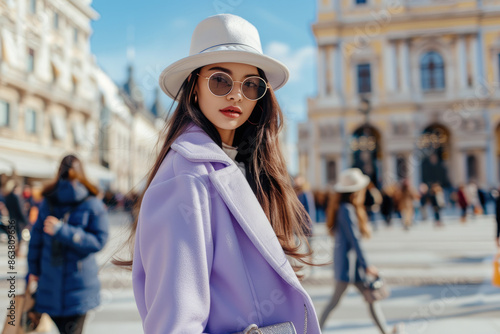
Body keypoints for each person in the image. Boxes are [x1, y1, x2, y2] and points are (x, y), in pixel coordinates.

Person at [113, 14, 321, 333]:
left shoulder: (240, 166)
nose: (236, 94)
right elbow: (175, 324)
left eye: (251, 85)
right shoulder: (187, 177)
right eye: (220, 79)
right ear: (194, 86)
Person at [27, 155, 109, 334]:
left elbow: (35, 243)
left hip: (51, 283)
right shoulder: (93, 202)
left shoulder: (49, 201)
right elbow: (100, 241)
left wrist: (62, 231)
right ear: (82, 173)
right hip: (78, 287)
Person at [320, 168, 401, 333]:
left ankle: (386, 331)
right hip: (348, 265)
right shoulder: (346, 210)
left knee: (371, 299)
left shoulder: (344, 207)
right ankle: (314, 330)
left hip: (353, 265)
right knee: (334, 302)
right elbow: (355, 240)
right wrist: (367, 264)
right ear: (356, 190)